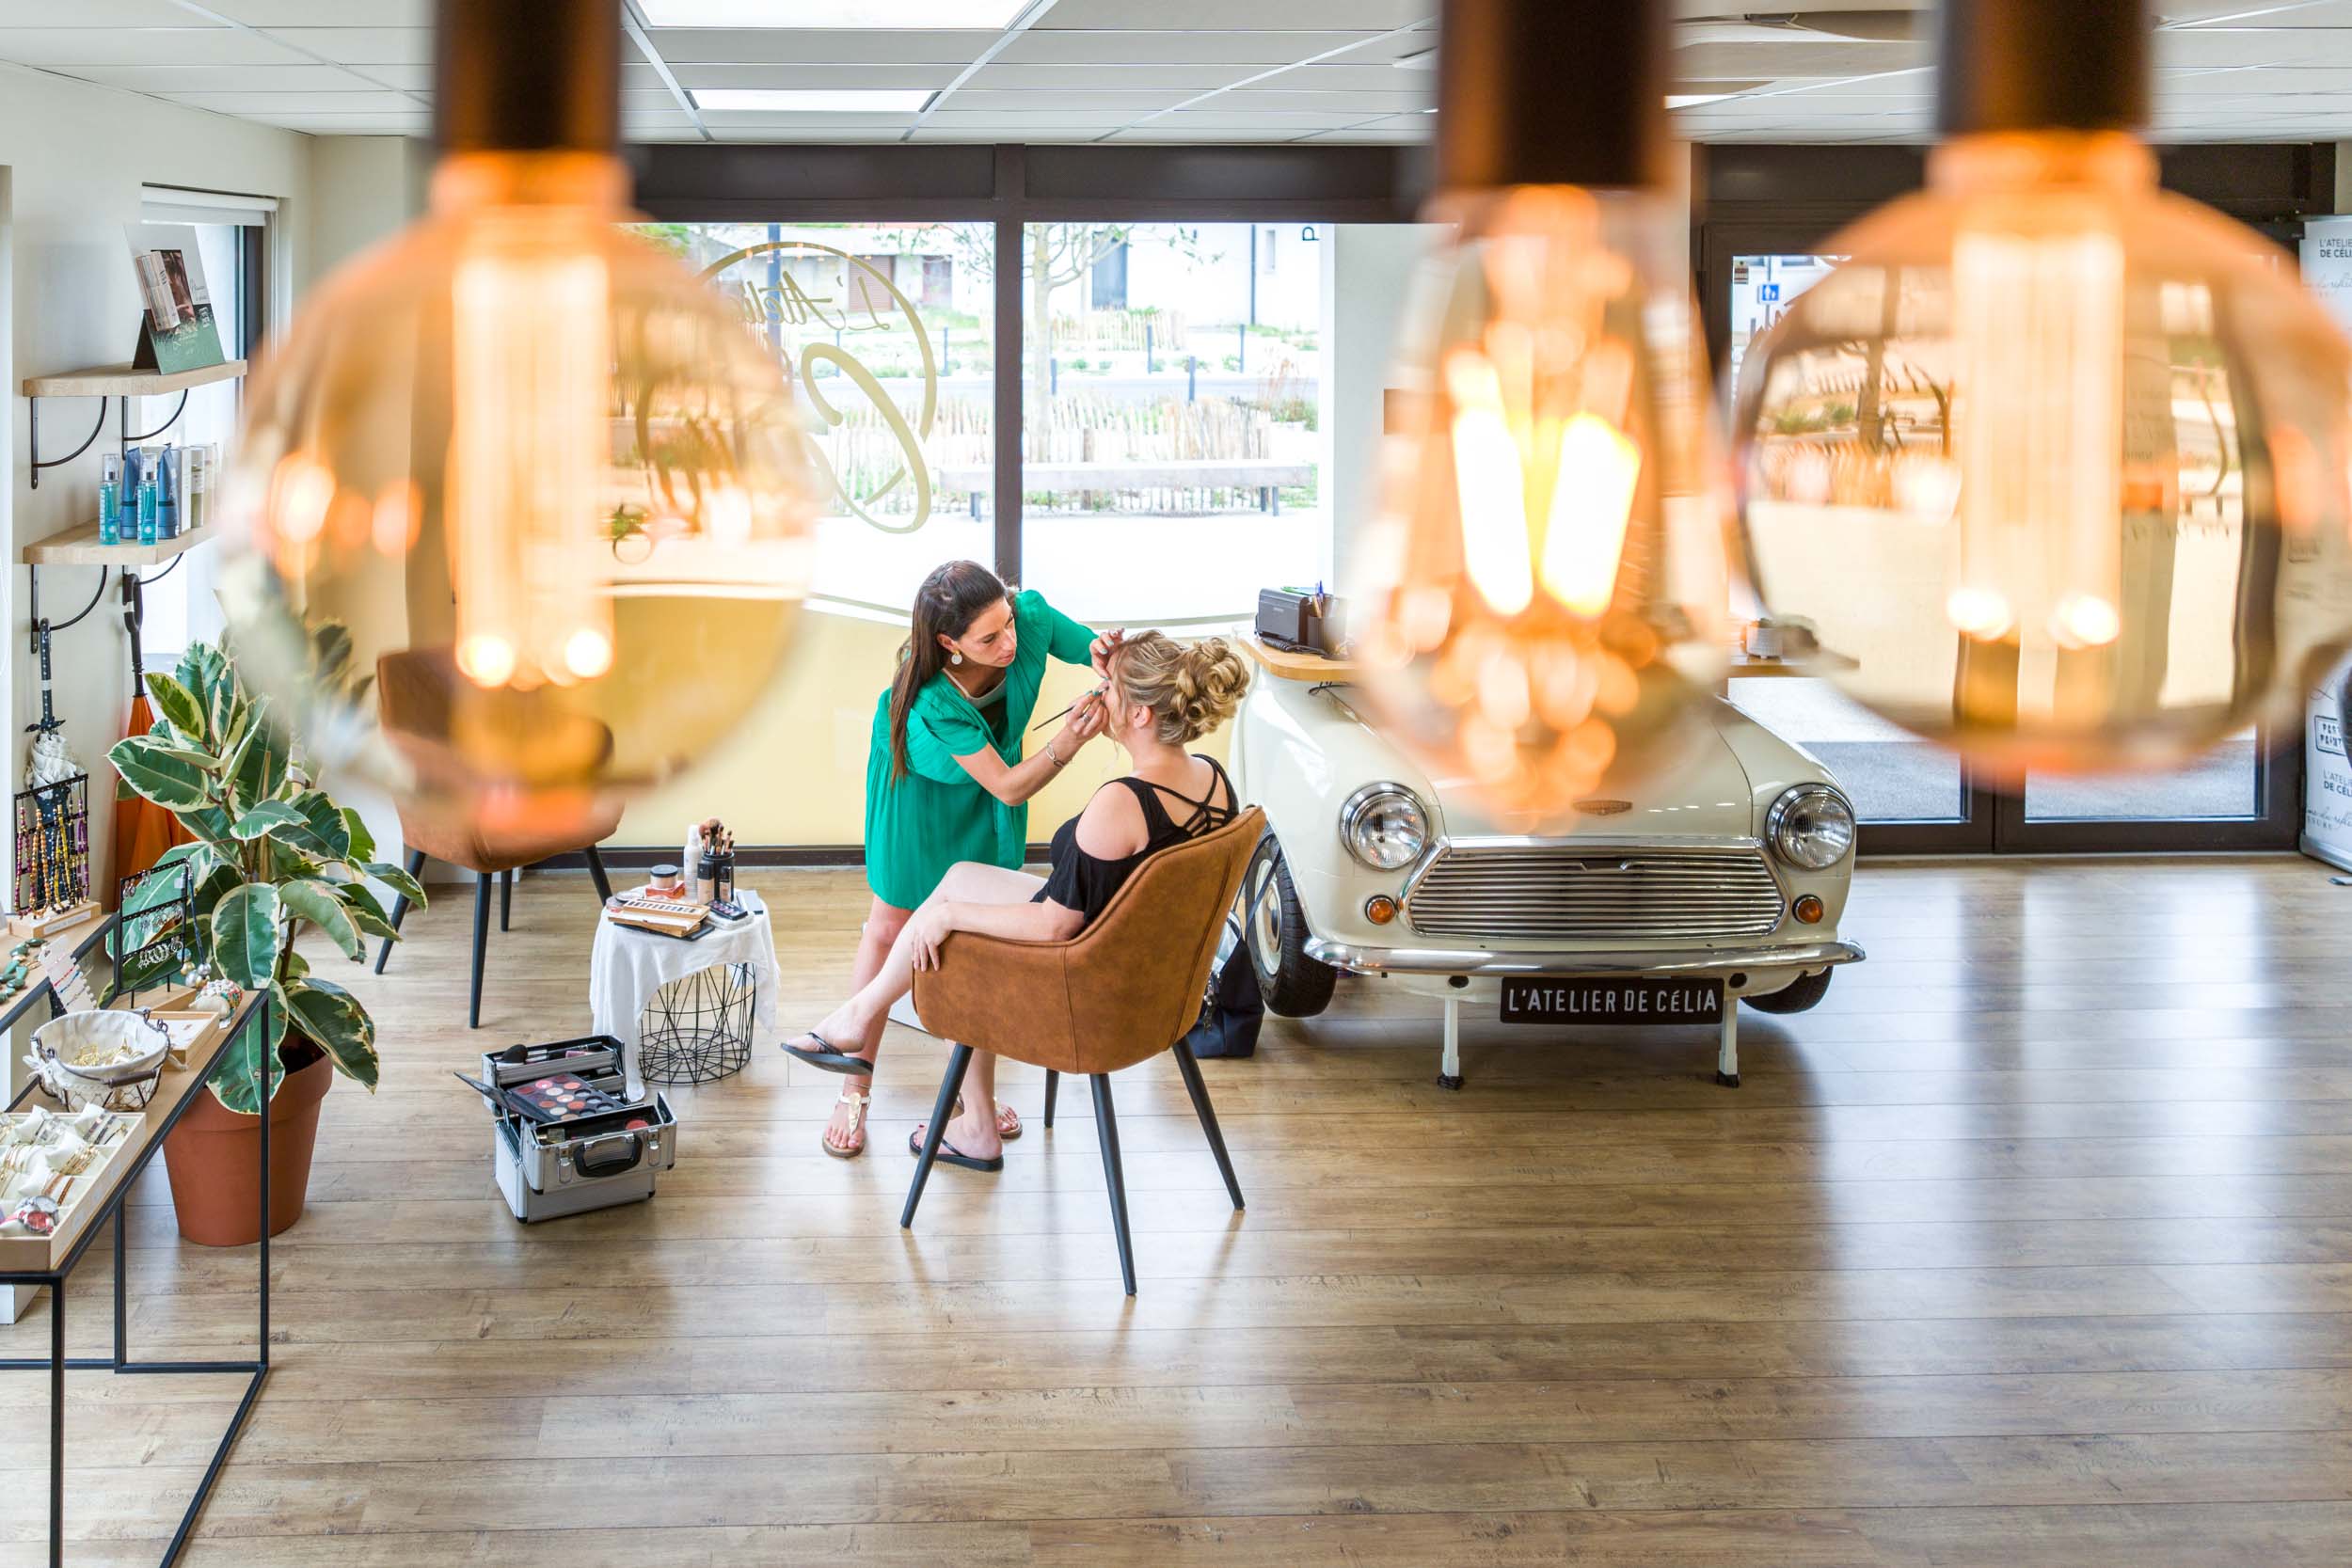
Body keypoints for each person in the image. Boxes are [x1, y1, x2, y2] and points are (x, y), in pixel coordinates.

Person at [785, 631, 1248, 1171]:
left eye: (1109, 688)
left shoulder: (1122, 803)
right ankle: (859, 1018)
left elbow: (1055, 928)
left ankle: (967, 1117)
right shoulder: (1213, 783)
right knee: (959, 876)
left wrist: (951, 916)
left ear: (1141, 715)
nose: (1098, 696)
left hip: (1094, 989)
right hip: (1156, 979)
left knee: (948, 925)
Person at [784, 561, 1121, 1158]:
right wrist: (1067, 742)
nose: (1010, 643)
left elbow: (1085, 645)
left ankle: (973, 1102)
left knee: (970, 942)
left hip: (988, 798)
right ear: (949, 644)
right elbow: (1013, 786)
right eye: (989, 639)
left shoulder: (1028, 619)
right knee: (890, 929)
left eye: (1008, 623)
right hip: (919, 800)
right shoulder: (930, 703)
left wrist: (1104, 653)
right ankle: (854, 1089)